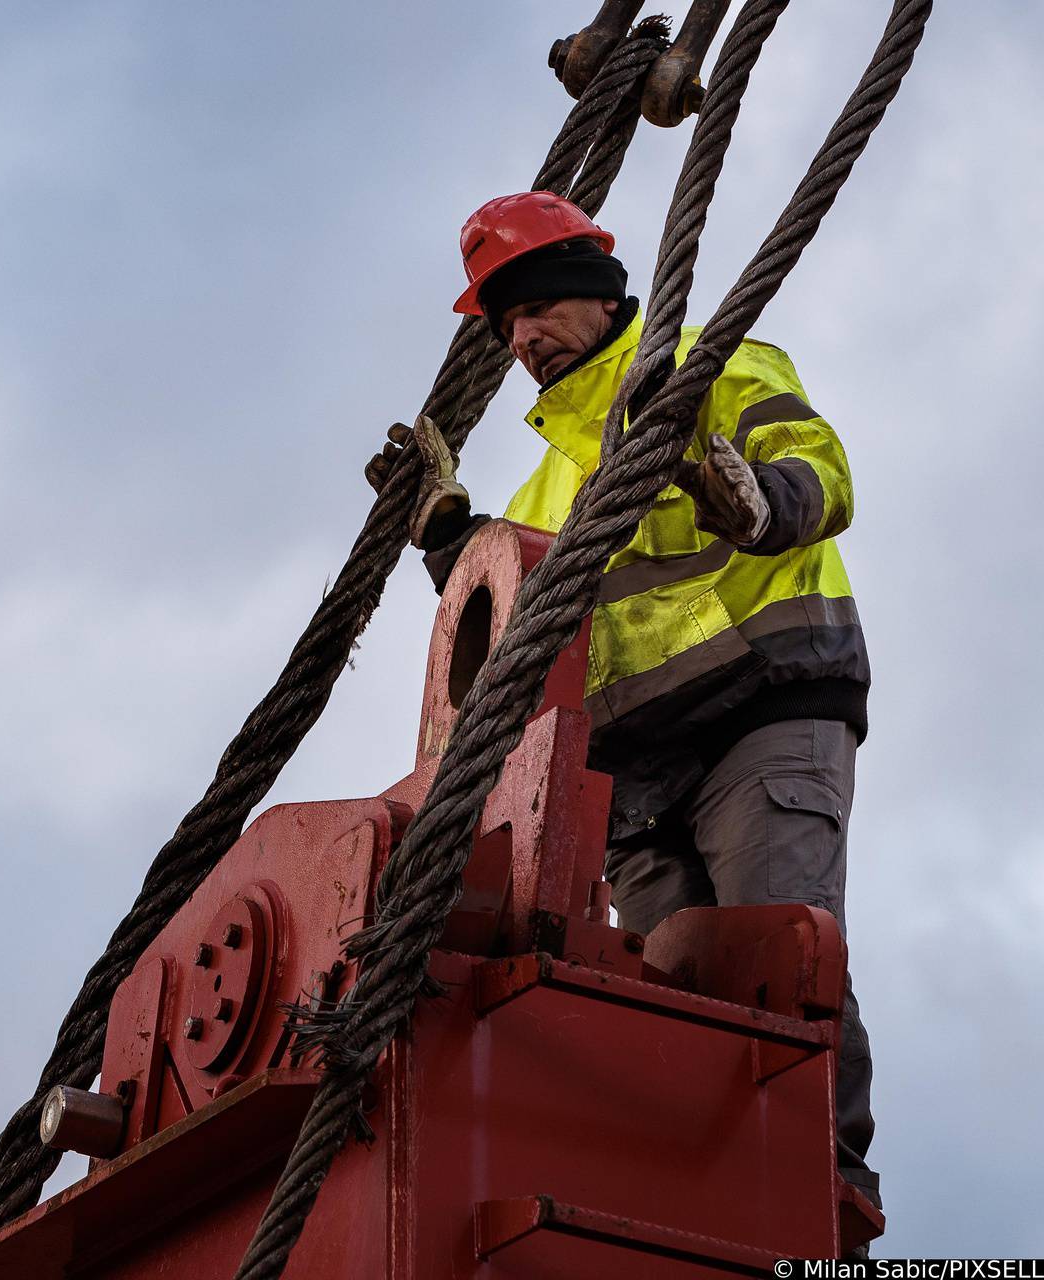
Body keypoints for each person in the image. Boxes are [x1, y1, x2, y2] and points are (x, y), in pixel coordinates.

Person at [367, 191, 879, 1216]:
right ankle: (702, 1199)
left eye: (533, 308)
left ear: (594, 294)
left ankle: (829, 1188)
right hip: (638, 776)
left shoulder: (709, 363)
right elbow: (526, 612)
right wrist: (445, 543)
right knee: (662, 997)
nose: (521, 338)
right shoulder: (559, 481)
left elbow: (821, 470)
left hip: (761, 708)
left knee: (777, 951)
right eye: (505, 324)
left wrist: (760, 501)